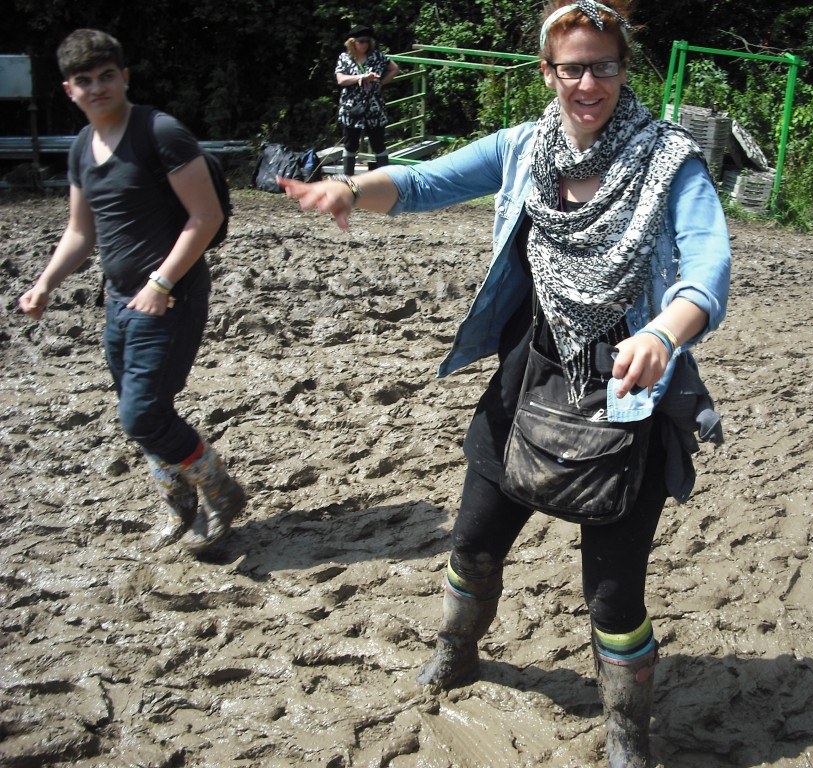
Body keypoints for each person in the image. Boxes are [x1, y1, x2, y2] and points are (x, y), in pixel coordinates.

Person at [281, 1, 729, 765]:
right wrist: (352, 191)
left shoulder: (669, 160)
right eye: (572, 67)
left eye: (604, 65)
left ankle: (627, 733)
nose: (589, 82)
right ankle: (459, 651)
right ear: (547, 72)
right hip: (524, 382)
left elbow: (708, 267)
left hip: (630, 392)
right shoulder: (526, 148)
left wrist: (663, 332)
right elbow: (423, 183)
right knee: (474, 541)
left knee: (614, 594)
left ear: (624, 68)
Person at [18, 29, 246, 555]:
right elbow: (82, 231)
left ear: (124, 78)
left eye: (106, 76)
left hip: (170, 296)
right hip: (120, 300)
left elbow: (205, 216)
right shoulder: (82, 146)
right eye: (84, 81)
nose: (97, 88)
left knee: (141, 415)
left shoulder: (159, 132)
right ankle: (181, 502)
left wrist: (161, 282)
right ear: (68, 89)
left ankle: (220, 490)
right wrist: (45, 283)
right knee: (141, 411)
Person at [334, 23, 400, 176]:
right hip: (352, 107)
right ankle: (348, 179)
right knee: (350, 144)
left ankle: (385, 179)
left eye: (367, 41)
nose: (365, 44)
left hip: (374, 107)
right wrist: (362, 77)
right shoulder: (345, 58)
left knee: (378, 143)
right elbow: (340, 79)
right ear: (352, 42)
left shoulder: (377, 56)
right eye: (361, 41)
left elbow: (395, 68)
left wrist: (381, 82)